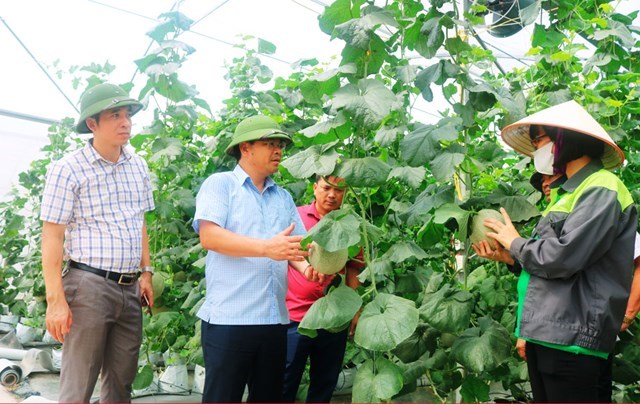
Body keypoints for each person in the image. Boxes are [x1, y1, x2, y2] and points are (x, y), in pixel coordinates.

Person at [480, 100, 637, 402]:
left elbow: (564, 257)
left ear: (564, 139)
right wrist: (513, 258)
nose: (536, 147)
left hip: (573, 338)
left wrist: (515, 242)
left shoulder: (601, 187)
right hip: (551, 332)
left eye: (538, 139)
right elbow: (558, 262)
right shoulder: (568, 191)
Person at [193, 115, 326, 403]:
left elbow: (294, 248)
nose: (278, 150)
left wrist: (307, 268)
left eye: (280, 145)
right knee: (222, 398)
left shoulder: (283, 197)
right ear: (245, 148)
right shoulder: (221, 185)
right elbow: (210, 237)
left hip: (274, 321)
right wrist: (267, 248)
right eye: (269, 144)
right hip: (230, 320)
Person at [40, 83, 155, 403]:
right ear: (92, 124)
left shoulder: (138, 166)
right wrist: (56, 301)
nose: (126, 122)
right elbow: (52, 235)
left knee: (121, 383)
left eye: (128, 114)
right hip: (88, 285)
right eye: (115, 115)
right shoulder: (68, 170)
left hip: (130, 288)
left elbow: (139, 220)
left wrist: (146, 272)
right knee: (79, 385)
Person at [283, 175, 364, 402]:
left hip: (334, 317)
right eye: (327, 188)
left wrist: (354, 310)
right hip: (295, 315)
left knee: (325, 383)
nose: (332, 194)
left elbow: (354, 267)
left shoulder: (350, 223)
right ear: (315, 187)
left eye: (339, 190)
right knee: (284, 382)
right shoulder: (295, 217)